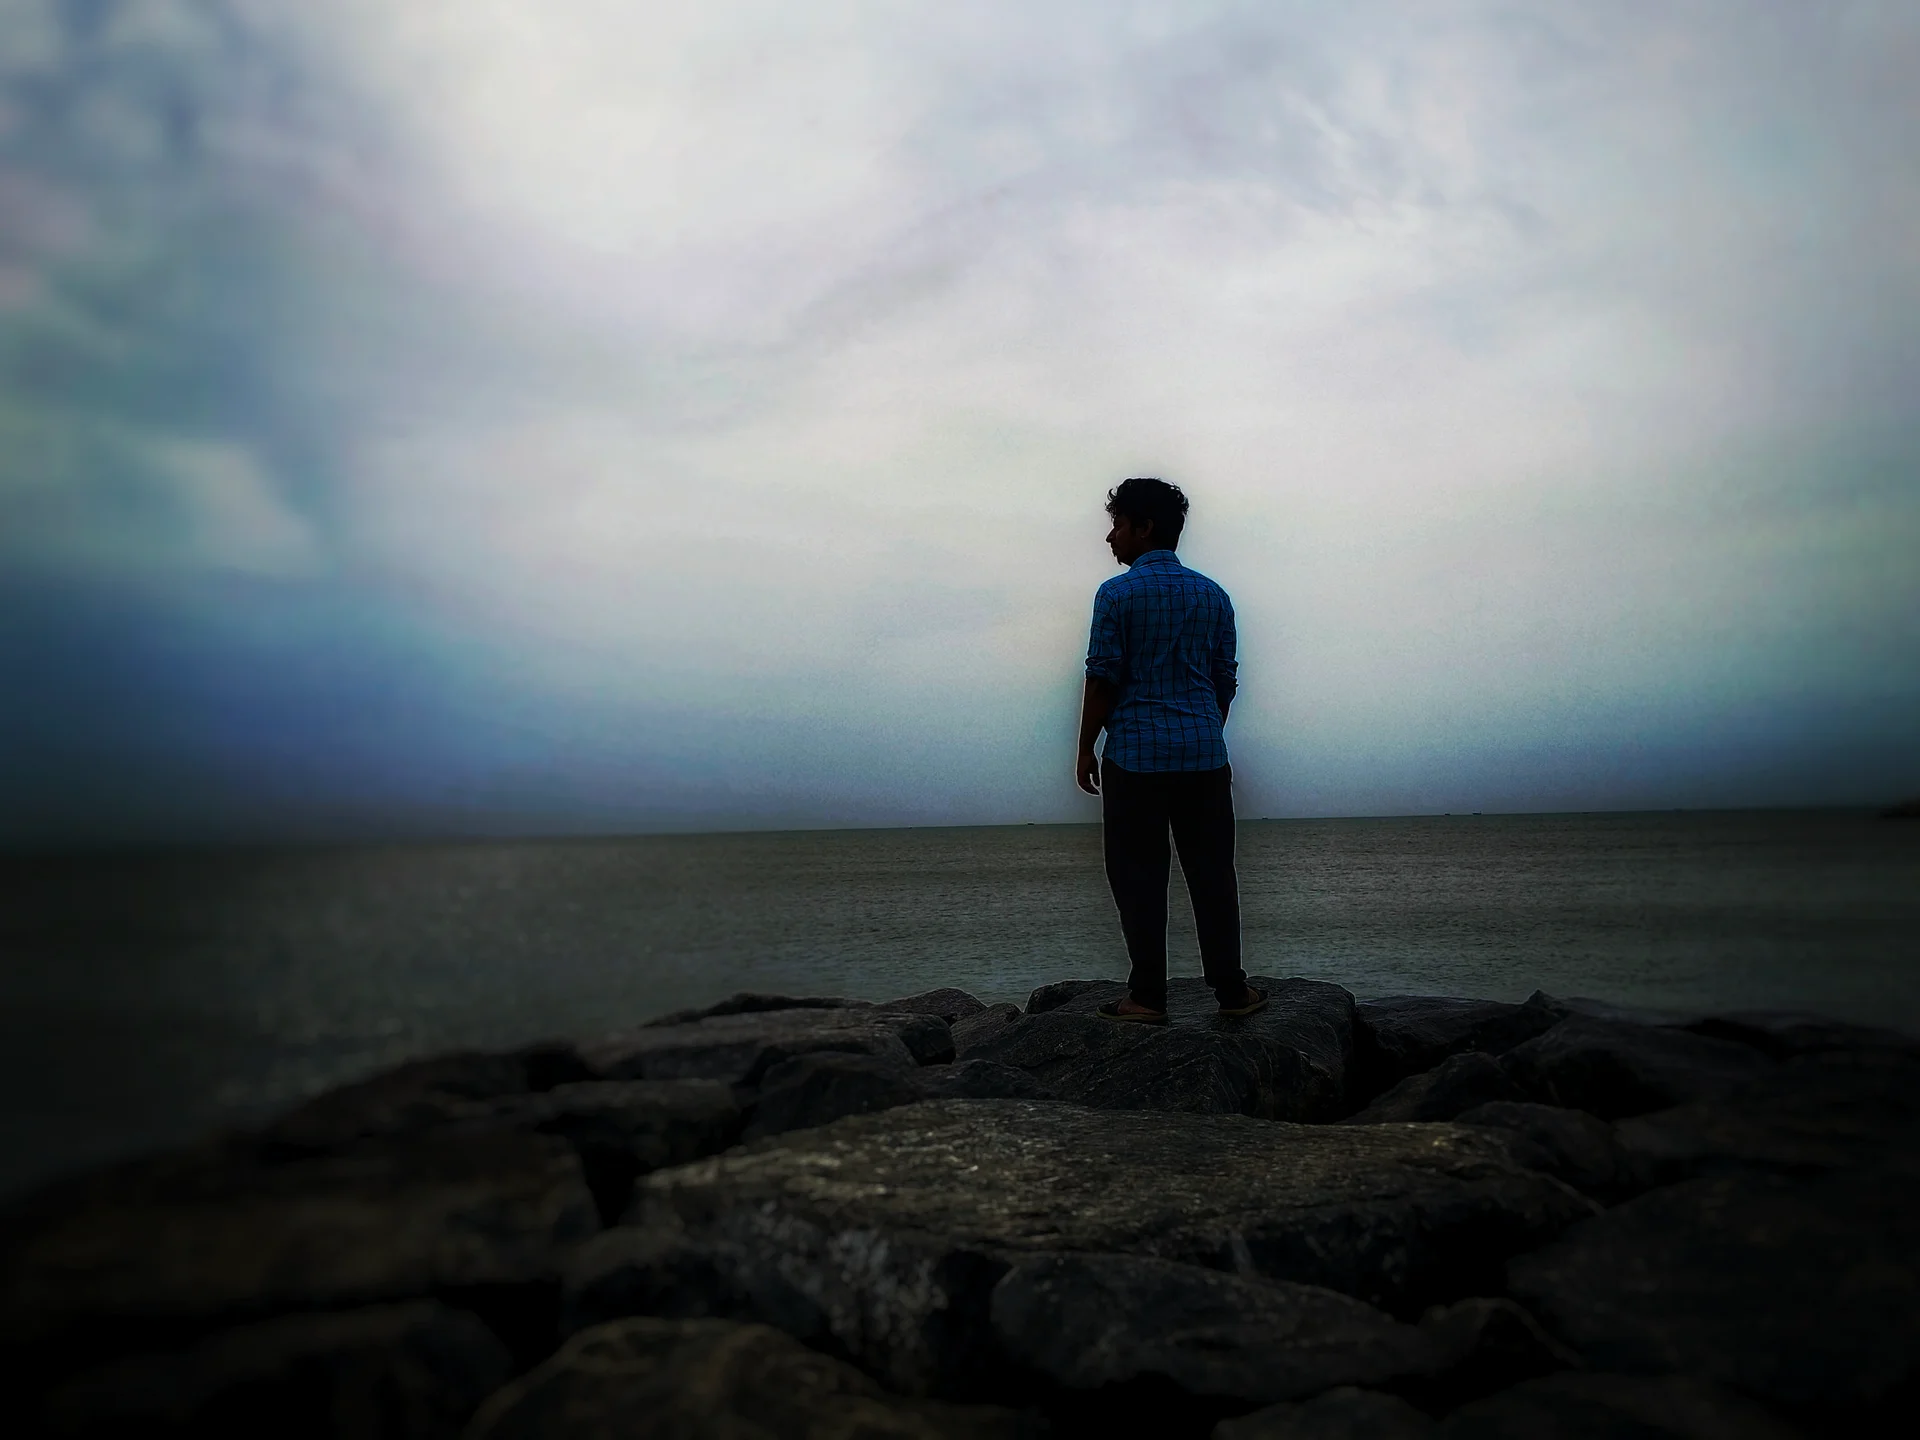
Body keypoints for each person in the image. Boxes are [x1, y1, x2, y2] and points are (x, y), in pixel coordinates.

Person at [1075, 478, 1265, 1023]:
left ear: (1144, 527)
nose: (1110, 536)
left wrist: (1085, 747)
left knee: (1138, 877)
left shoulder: (1116, 595)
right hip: (1204, 757)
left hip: (1134, 758)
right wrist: (1204, 729)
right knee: (1213, 876)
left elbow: (1103, 677)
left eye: (1117, 524)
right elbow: (1224, 677)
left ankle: (1146, 998)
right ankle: (1232, 992)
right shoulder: (1214, 596)